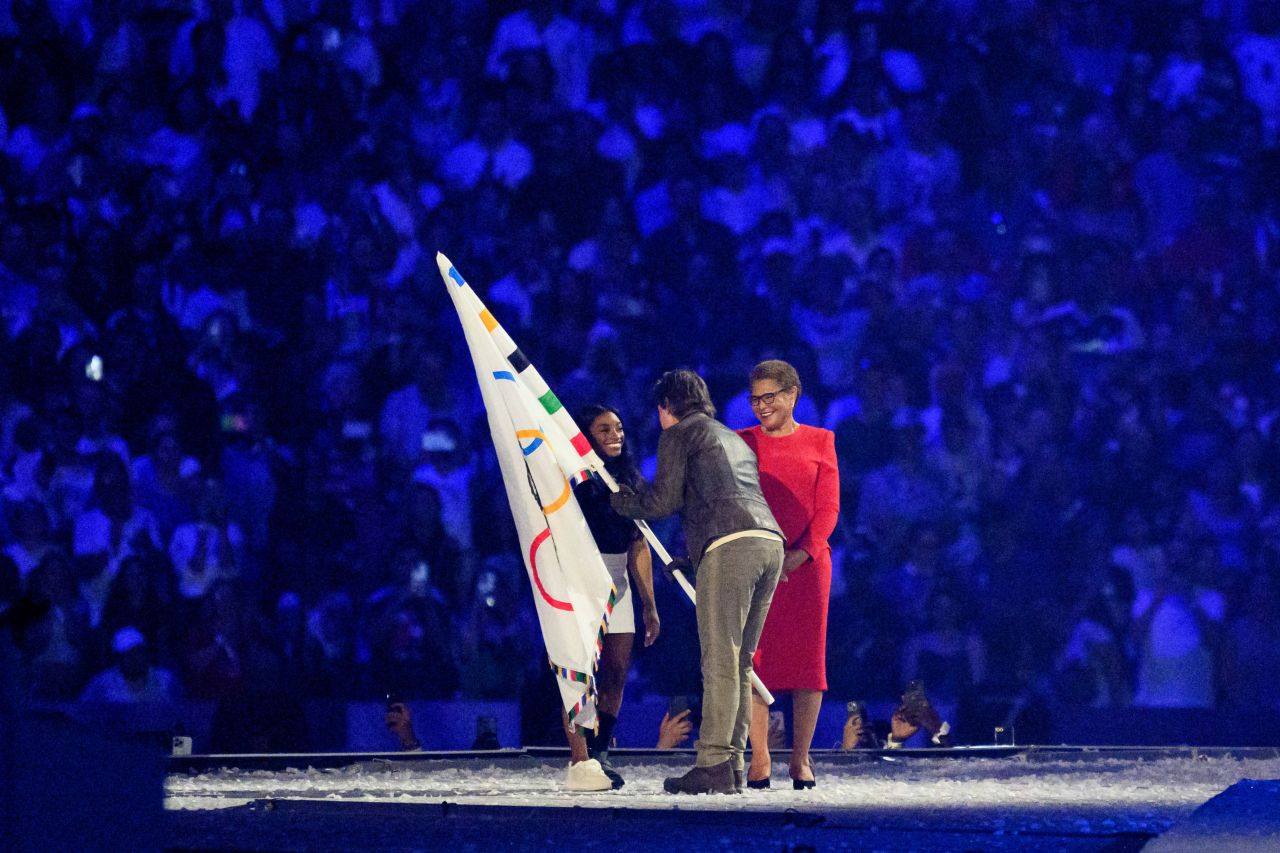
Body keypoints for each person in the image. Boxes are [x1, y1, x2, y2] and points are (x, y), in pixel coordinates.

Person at [611, 369, 783, 795]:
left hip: (732, 546)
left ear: (666, 406)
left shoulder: (680, 434)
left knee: (720, 661)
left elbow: (663, 500)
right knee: (740, 662)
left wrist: (618, 501)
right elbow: (723, 495)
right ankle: (733, 765)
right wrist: (696, 554)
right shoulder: (731, 437)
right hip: (768, 543)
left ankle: (713, 763)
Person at [737, 359, 839, 789]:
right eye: (755, 399)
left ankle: (800, 760)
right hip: (757, 564)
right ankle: (759, 757)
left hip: (807, 568)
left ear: (793, 394)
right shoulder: (741, 442)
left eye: (770, 398)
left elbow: (828, 508)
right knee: (755, 660)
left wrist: (801, 554)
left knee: (807, 664)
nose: (761, 407)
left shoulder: (822, 440)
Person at [563, 404, 660, 791]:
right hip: (581, 580)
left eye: (618, 428)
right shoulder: (575, 482)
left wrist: (649, 604)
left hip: (618, 581)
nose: (614, 435)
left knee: (616, 670)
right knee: (579, 674)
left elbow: (640, 545)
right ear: (587, 437)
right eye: (603, 430)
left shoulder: (630, 482)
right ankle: (580, 758)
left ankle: (600, 754)